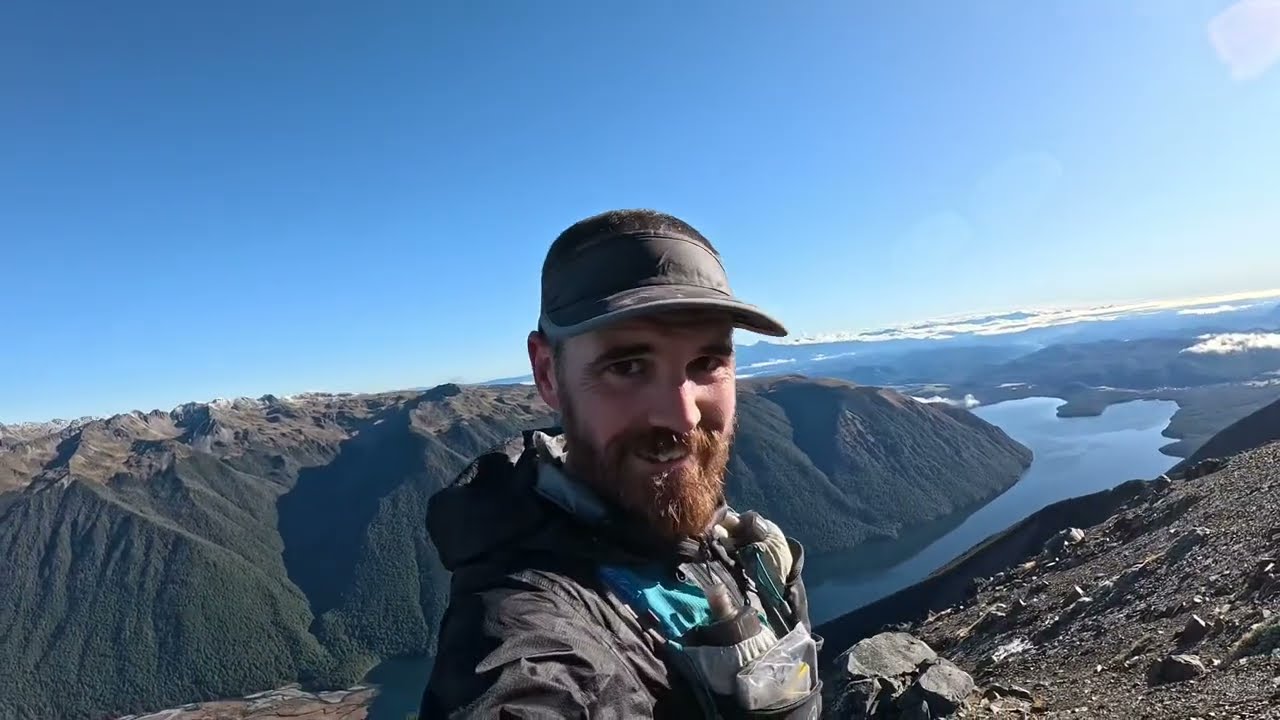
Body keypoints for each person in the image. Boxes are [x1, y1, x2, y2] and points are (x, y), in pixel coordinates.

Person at [420, 209, 823, 719]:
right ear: (548, 374)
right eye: (627, 366)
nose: (682, 413)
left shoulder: (732, 547)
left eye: (707, 364)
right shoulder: (527, 620)